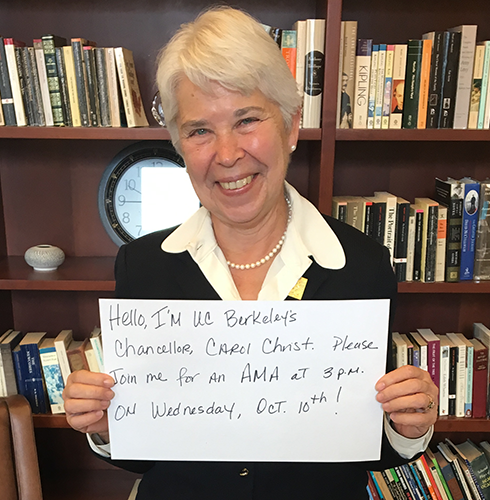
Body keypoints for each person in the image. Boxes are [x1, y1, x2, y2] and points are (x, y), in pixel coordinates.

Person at [63, 7, 438, 499]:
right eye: (199, 130)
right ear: (179, 145)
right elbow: (143, 455)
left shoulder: (360, 264)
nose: (226, 153)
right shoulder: (144, 265)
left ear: (290, 127)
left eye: (246, 120)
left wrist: (409, 426)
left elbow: (365, 443)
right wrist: (106, 425)